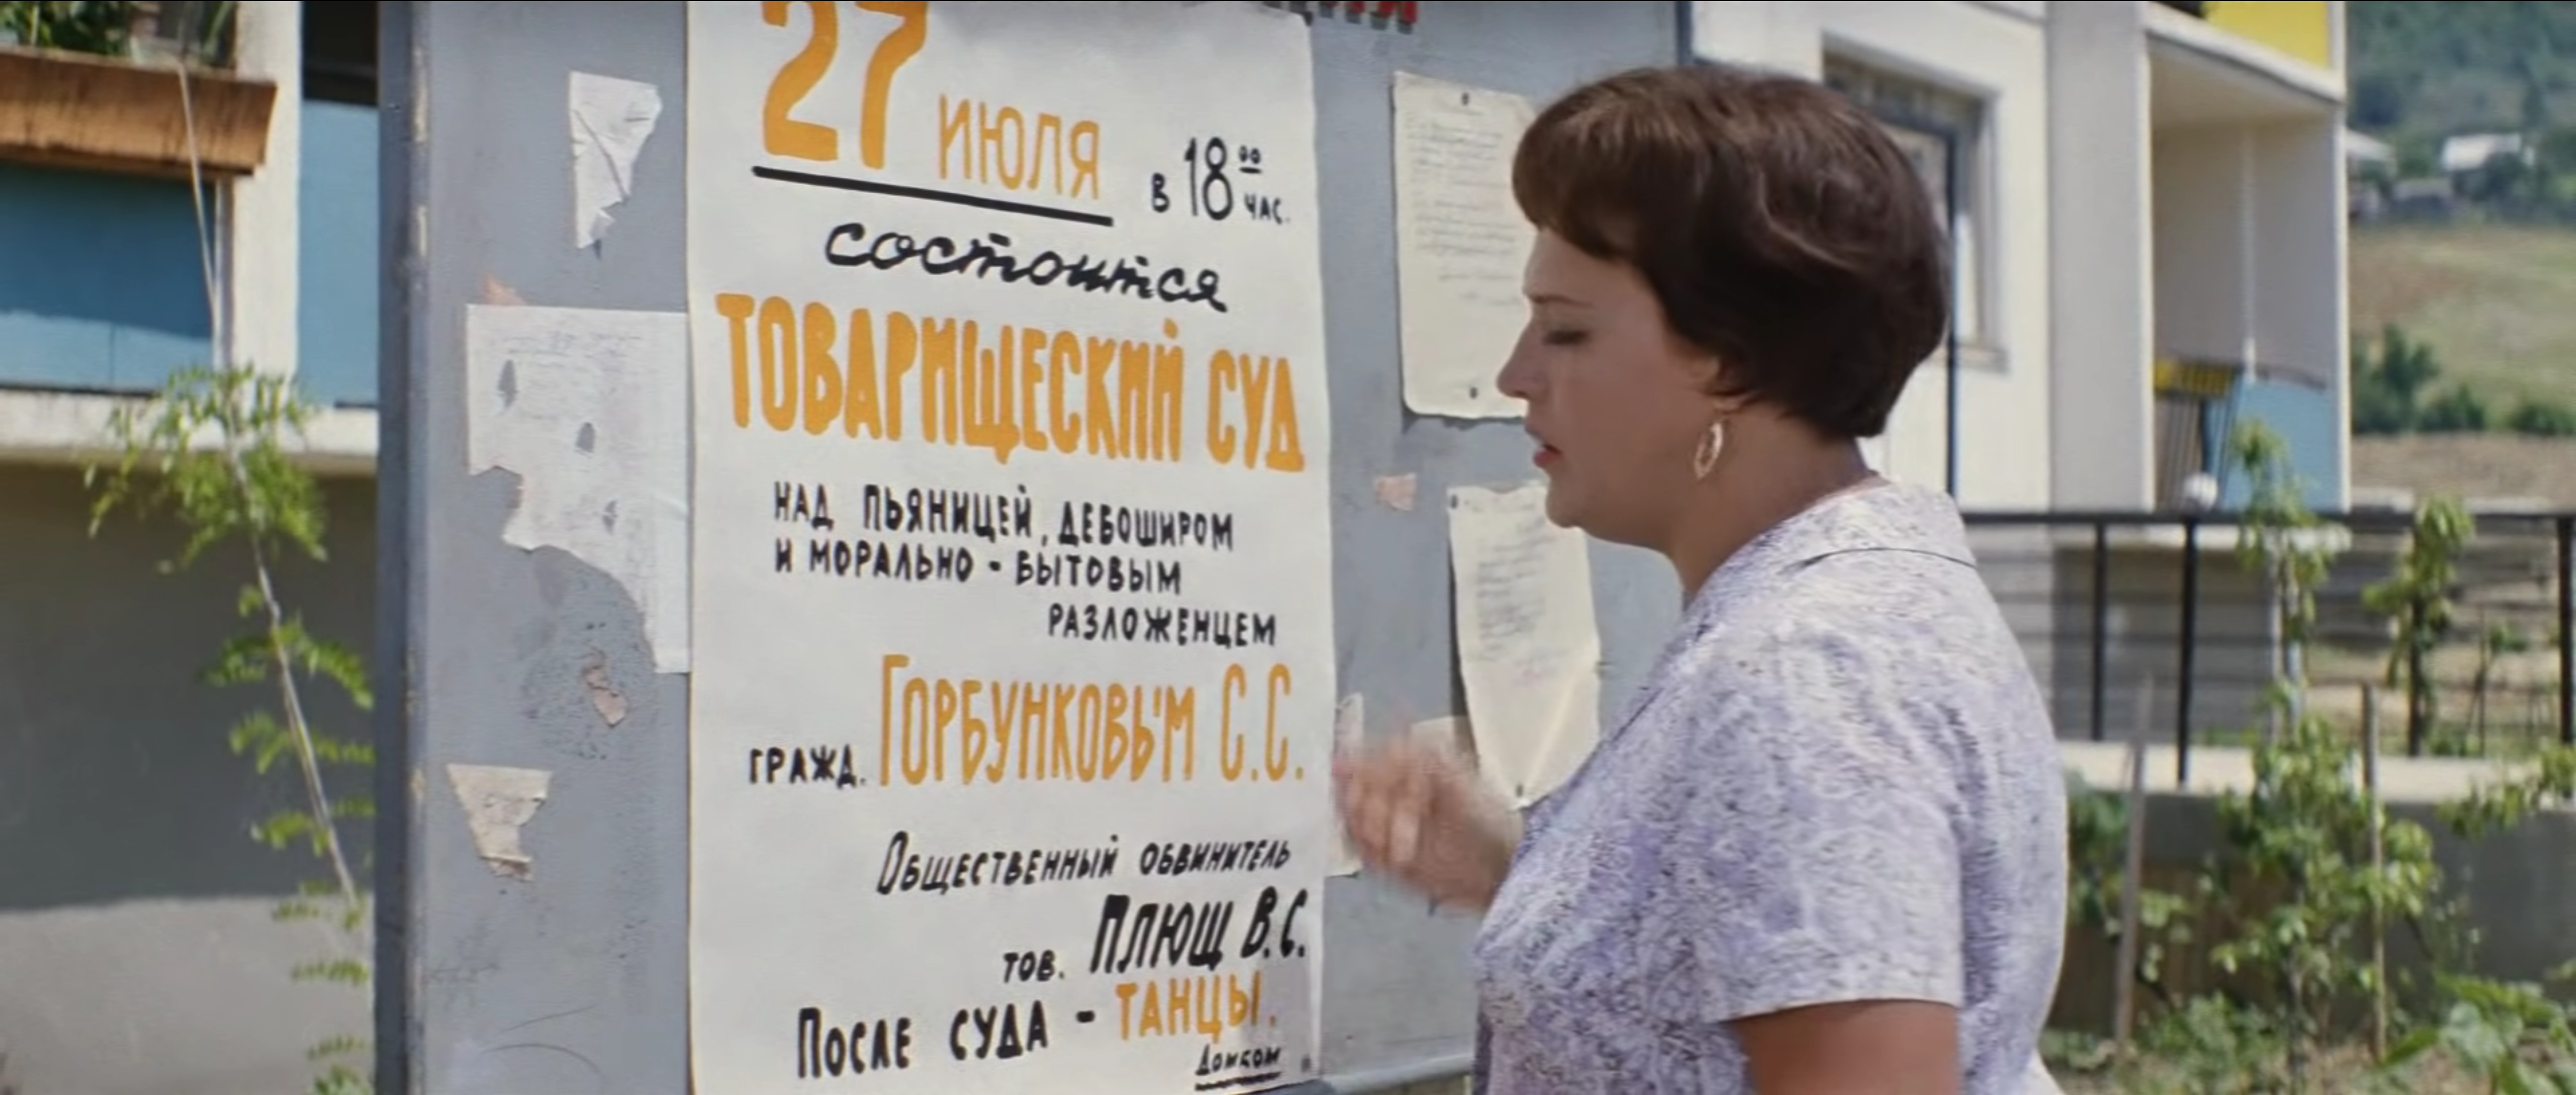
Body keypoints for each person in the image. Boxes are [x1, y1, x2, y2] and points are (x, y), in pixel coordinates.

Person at [1332, 63, 2069, 1095]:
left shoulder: (1810, 673)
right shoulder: (1848, 608)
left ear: (1729, 359)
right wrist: (1522, 868)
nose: (1515, 374)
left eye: (1567, 329)